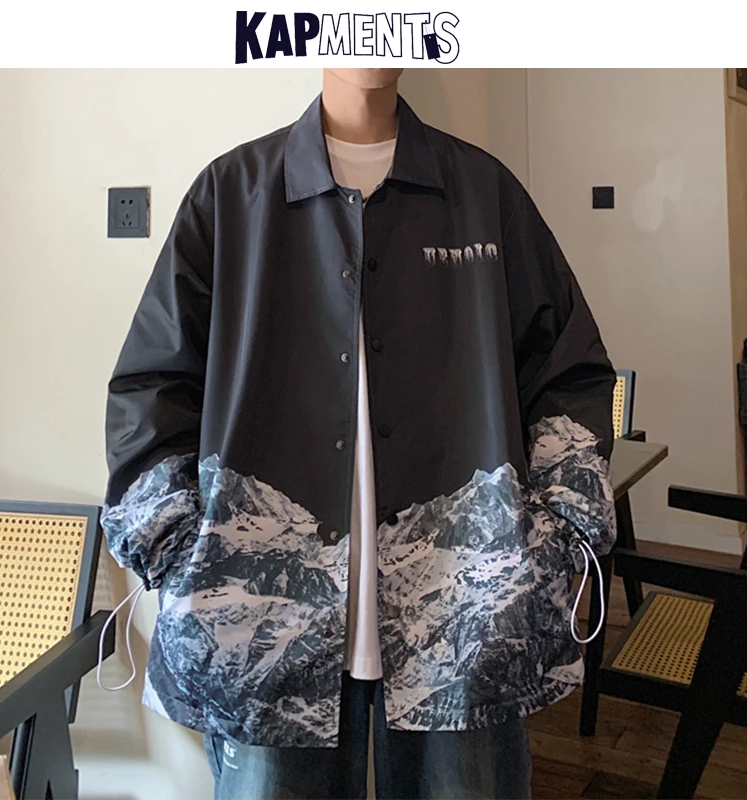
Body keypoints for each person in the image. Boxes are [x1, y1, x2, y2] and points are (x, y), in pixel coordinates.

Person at [100, 68, 616, 800]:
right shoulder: (232, 194)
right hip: (262, 636)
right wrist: (180, 547)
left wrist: (555, 534)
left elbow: (569, 371)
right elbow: (150, 389)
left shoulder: (483, 192)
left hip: (468, 626)